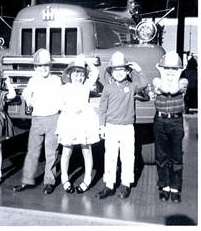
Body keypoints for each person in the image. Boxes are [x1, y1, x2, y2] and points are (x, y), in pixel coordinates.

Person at [95, 51, 148, 199]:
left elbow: (144, 84)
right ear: (111, 72)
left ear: (127, 71)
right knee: (110, 156)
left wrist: (138, 69)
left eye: (122, 69)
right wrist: (102, 126)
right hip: (111, 127)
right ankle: (109, 185)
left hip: (127, 127)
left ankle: (126, 184)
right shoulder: (107, 88)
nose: (118, 73)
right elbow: (102, 108)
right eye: (115, 70)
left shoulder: (132, 86)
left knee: (127, 156)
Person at [12, 49, 62, 195]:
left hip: (53, 118)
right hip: (38, 120)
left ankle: (49, 181)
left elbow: (62, 95)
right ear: (35, 68)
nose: (43, 68)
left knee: (51, 152)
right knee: (33, 151)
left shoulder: (56, 79)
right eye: (40, 66)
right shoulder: (33, 80)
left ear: (51, 66)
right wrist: (29, 100)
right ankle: (26, 180)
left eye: (46, 65)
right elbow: (26, 93)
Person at [56, 54, 101, 194]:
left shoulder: (86, 86)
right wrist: (71, 109)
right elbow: (58, 105)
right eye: (75, 74)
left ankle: (87, 179)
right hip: (69, 120)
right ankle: (64, 178)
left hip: (84, 121)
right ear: (69, 75)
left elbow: (96, 72)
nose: (78, 77)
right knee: (67, 150)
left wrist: (86, 60)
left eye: (81, 74)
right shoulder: (64, 88)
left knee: (86, 150)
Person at [152, 51, 188, 203]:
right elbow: (165, 89)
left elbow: (172, 90)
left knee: (176, 156)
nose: (170, 72)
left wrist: (177, 75)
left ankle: (175, 189)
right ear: (161, 68)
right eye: (167, 68)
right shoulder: (156, 80)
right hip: (160, 121)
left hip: (176, 122)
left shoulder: (183, 81)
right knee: (161, 156)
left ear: (179, 70)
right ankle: (164, 187)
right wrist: (161, 73)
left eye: (174, 69)